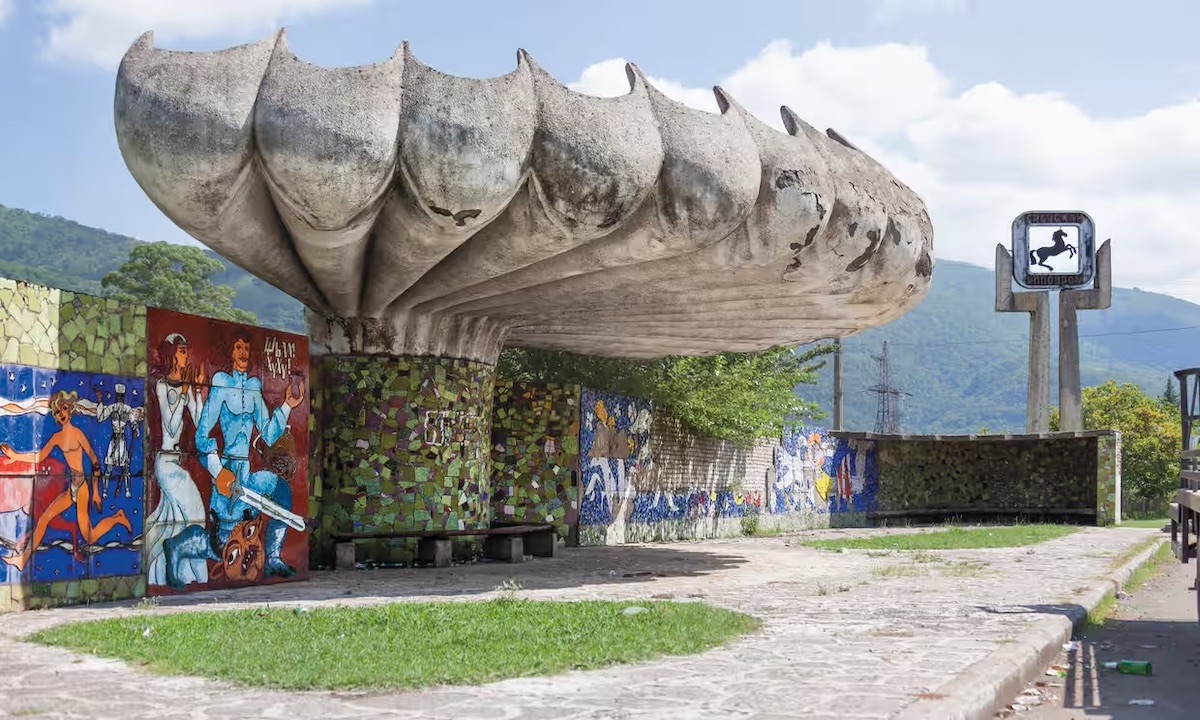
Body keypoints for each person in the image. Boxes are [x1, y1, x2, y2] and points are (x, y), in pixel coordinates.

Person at [162, 329, 303, 589]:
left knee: (280, 492)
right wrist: (218, 472)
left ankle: (272, 557)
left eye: (247, 349)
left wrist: (287, 406)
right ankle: (177, 546)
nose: (243, 354)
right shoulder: (221, 384)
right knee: (223, 546)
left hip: (247, 474)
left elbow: (269, 435)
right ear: (231, 352)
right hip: (227, 472)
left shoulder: (253, 388)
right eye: (239, 348)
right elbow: (202, 436)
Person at [0, 390, 132, 571]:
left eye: (63, 409)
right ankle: (22, 560)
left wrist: (96, 493)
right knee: (44, 518)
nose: (61, 414)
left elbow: (94, 460)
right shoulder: (57, 438)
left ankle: (118, 518)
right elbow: (39, 457)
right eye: (56, 412)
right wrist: (16, 456)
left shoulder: (77, 434)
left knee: (90, 537)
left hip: (83, 488)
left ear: (70, 410)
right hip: (72, 488)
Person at [144, 333, 208, 587]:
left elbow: (199, 420)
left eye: (186, 350)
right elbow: (170, 426)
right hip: (166, 464)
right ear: (172, 354)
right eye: (182, 351)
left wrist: (198, 392)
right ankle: (178, 563)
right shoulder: (162, 386)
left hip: (176, 463)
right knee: (195, 514)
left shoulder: (184, 386)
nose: (186, 355)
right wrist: (182, 393)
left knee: (173, 522)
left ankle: (172, 574)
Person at [94, 383, 144, 499]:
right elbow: (100, 417)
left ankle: (127, 490)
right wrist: (100, 401)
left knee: (125, 468)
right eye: (119, 395)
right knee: (109, 468)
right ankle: (105, 491)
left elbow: (133, 422)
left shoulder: (128, 409)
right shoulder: (112, 408)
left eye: (121, 395)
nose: (120, 397)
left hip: (122, 440)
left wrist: (135, 429)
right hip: (114, 439)